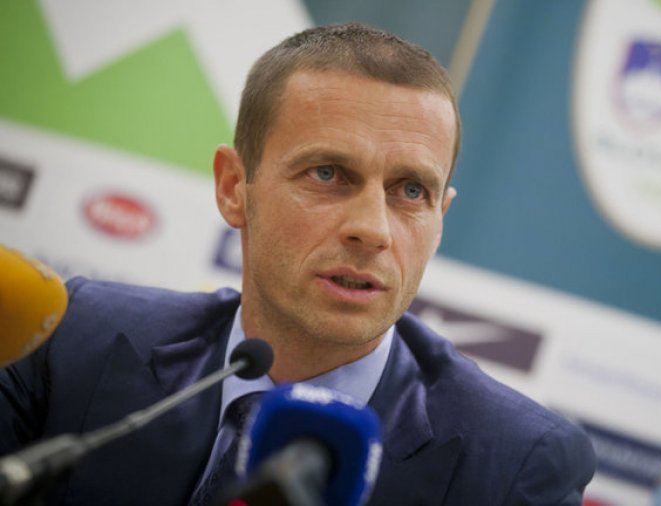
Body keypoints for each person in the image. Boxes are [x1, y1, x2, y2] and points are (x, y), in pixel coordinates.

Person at [0, 23, 595, 505]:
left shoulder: (513, 466)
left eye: (411, 191)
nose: (373, 229)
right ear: (234, 188)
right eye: (328, 174)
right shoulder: (73, 339)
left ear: (441, 216)